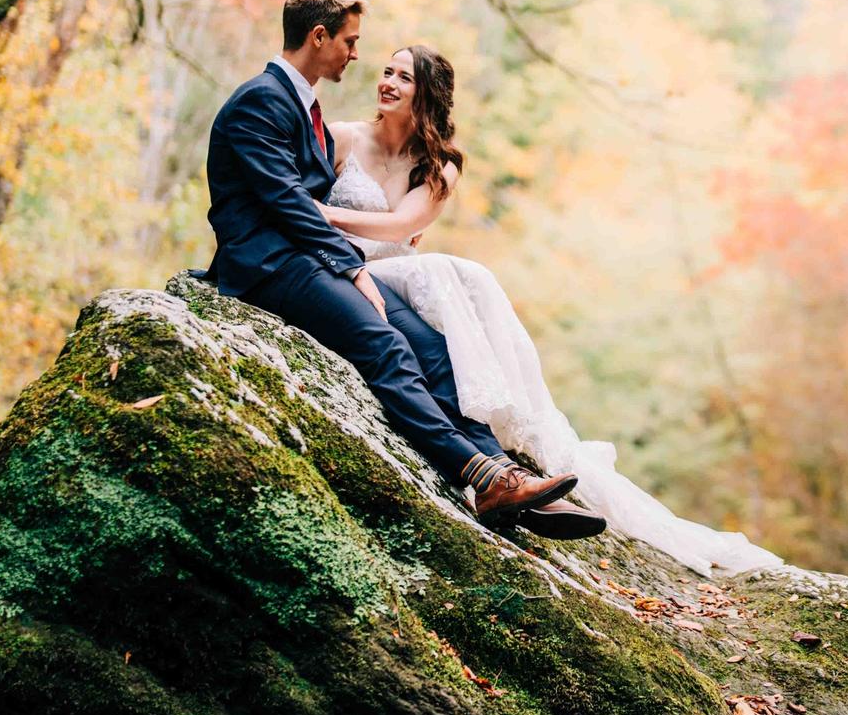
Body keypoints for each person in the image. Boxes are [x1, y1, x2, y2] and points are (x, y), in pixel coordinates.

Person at [317, 42, 783, 574]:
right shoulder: (342, 137)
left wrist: (320, 212)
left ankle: (511, 480)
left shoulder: (440, 167)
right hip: (346, 273)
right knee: (439, 318)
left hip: (396, 275)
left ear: (429, 94)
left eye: (405, 76)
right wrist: (319, 218)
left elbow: (401, 226)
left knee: (457, 318)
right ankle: (501, 478)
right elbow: (301, 202)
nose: (389, 82)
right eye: (387, 71)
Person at [202, 0, 592, 540]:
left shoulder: (301, 105)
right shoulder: (261, 101)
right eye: (350, 41)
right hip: (272, 266)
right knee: (385, 345)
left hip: (307, 258)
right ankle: (478, 473)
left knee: (433, 348)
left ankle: (507, 482)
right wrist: (353, 265)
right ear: (319, 37)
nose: (358, 56)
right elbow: (287, 202)